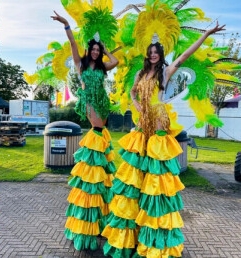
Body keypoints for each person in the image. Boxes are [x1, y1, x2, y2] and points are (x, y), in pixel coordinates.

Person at [101, 22, 225, 258]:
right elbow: (133, 93)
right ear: (147, 54)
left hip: (158, 120)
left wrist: (207, 33)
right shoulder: (140, 72)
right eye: (151, 52)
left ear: (161, 54)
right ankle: (132, 233)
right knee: (135, 178)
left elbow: (186, 54)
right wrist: (137, 108)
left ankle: (154, 237)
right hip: (142, 122)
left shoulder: (166, 72)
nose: (154, 55)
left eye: (157, 52)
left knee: (155, 179)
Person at [51, 11, 119, 251]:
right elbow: (72, 43)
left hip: (102, 100)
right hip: (89, 100)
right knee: (96, 137)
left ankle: (101, 207)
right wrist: (67, 24)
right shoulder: (80, 64)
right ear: (88, 49)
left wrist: (107, 47)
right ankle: (89, 205)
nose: (96, 53)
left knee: (101, 139)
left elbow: (117, 62)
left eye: (98, 51)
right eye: (94, 49)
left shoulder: (103, 65)